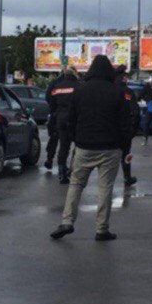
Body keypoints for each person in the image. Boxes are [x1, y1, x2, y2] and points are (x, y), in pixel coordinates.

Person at [51, 55, 133, 242]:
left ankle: (67, 222)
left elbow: (72, 118)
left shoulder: (80, 91)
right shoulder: (117, 92)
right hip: (110, 148)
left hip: (84, 146)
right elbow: (125, 123)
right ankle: (102, 229)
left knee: (76, 184)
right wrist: (124, 147)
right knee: (105, 188)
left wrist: (76, 139)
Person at [44, 67, 79, 182]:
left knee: (63, 145)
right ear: (74, 75)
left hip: (60, 118)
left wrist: (55, 113)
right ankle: (73, 169)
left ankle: (62, 173)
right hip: (75, 119)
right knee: (78, 146)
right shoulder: (79, 86)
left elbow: (50, 101)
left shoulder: (57, 86)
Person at [114, 65, 139, 187]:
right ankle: (127, 177)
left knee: (109, 156)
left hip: (110, 129)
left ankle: (108, 179)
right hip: (125, 130)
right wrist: (133, 129)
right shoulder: (128, 92)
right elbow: (135, 112)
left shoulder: (110, 89)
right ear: (123, 77)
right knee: (126, 154)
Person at [140, 76, 152, 144]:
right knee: (146, 123)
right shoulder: (146, 86)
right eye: (150, 82)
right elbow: (141, 95)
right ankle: (145, 139)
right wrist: (144, 101)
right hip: (149, 106)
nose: (151, 84)